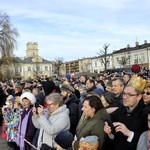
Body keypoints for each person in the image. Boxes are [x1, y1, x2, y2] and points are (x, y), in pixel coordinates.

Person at [104, 74, 148, 150]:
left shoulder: (145, 114)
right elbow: (113, 138)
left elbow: (145, 142)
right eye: (124, 94)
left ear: (139, 97)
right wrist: (110, 133)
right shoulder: (120, 110)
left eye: (129, 95)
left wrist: (129, 133)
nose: (124, 97)